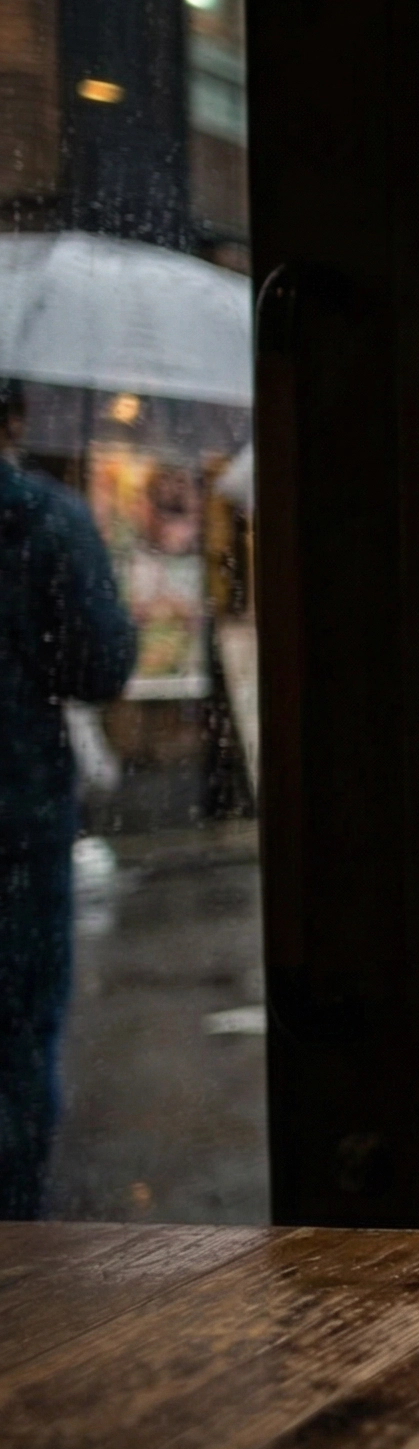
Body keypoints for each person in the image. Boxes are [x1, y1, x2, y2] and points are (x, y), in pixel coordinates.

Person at [0, 380, 137, 1219]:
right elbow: (100, 665)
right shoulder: (42, 518)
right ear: (11, 420)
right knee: (15, 1039)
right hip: (16, 813)